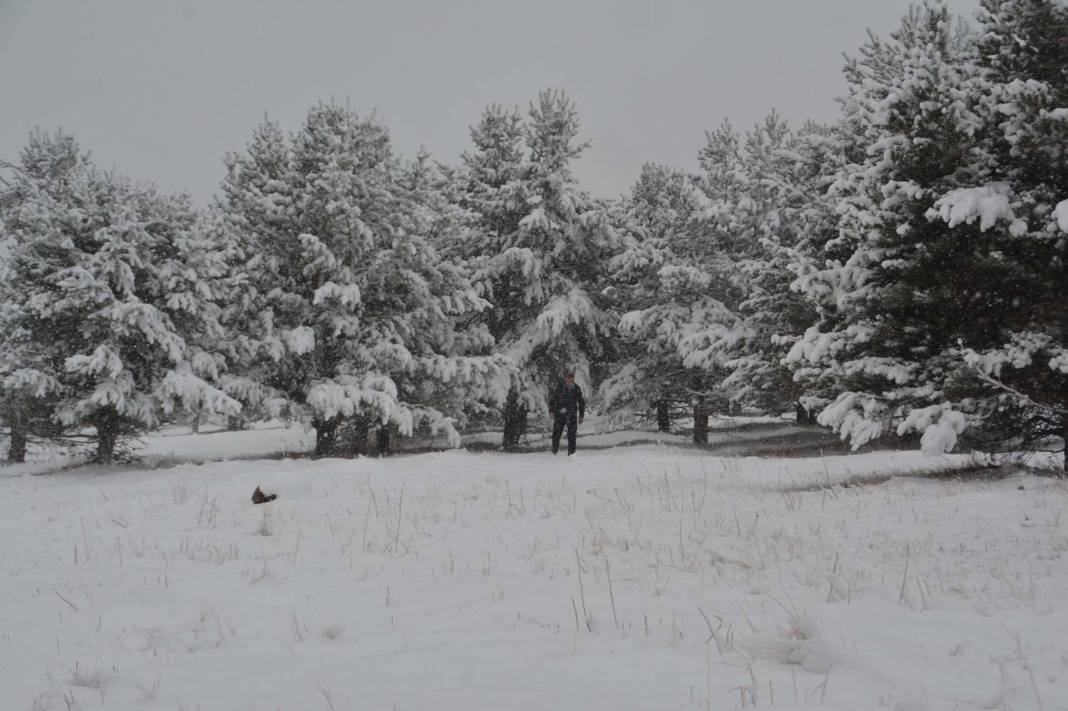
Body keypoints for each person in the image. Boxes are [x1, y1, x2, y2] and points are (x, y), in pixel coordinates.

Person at [549, 369, 585, 455]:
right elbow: (553, 399)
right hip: (559, 414)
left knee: (572, 436)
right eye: (568, 377)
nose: (569, 379)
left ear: (573, 378)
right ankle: (554, 452)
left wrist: (581, 415)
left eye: (571, 377)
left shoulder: (576, 388)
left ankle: (571, 454)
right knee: (556, 434)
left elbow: (581, 402)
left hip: (572, 415)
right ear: (565, 378)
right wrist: (551, 411)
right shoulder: (560, 387)